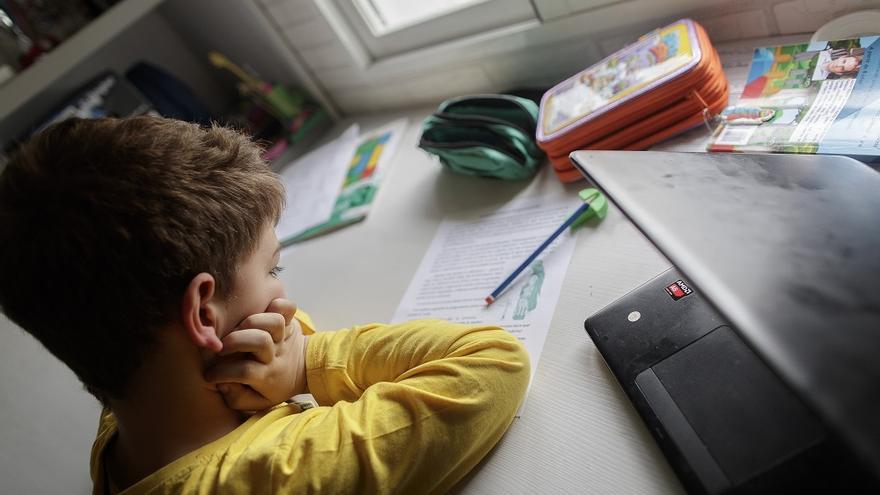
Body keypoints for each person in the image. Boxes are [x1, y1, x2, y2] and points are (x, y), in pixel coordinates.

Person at [0, 116, 530, 494]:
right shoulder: (284, 472)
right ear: (204, 315)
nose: (284, 298)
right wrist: (304, 366)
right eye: (272, 269)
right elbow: (492, 363)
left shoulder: (127, 413)